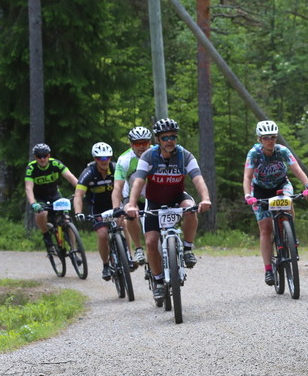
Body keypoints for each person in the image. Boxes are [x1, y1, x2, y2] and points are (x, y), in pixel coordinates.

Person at [124, 118, 212, 306]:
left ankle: (187, 248)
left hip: (177, 196)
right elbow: (138, 181)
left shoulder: (185, 155)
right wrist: (132, 204)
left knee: (190, 209)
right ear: (158, 140)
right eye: (165, 138)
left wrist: (205, 198)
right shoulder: (148, 156)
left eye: (173, 137)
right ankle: (157, 282)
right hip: (154, 201)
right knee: (151, 242)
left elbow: (197, 178)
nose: (170, 141)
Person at [242, 120, 308, 286]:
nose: (270, 140)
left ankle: (290, 235)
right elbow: (247, 177)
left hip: (281, 185)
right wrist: (248, 195)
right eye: (266, 138)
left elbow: (297, 169)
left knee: (289, 201)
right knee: (265, 230)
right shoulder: (254, 153)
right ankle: (268, 269)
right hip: (260, 190)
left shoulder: (282, 151)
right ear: (260, 139)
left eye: (273, 137)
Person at [73, 142, 117, 281]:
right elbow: (78, 195)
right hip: (96, 207)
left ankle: (128, 256)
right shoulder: (89, 173)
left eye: (107, 158)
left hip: (113, 204)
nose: (104, 161)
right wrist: (78, 212)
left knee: (124, 224)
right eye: (100, 158)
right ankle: (105, 265)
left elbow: (125, 189)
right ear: (94, 159)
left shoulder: (116, 169)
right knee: (103, 234)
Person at [24, 143, 79, 250]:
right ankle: (46, 235)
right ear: (35, 157)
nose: (43, 159)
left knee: (67, 220)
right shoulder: (31, 168)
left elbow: (71, 178)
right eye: (39, 157)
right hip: (40, 197)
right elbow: (28, 188)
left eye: (45, 156)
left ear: (49, 155)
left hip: (55, 195)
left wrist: (81, 191)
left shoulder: (56, 164)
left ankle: (74, 248)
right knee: (41, 213)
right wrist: (33, 203)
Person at [112, 126, 153, 266]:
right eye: (137, 143)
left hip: (153, 194)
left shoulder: (157, 154)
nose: (141, 147)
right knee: (130, 213)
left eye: (145, 143)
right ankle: (138, 248)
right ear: (131, 144)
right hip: (131, 195)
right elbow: (117, 187)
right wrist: (116, 208)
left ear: (150, 142)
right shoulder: (124, 160)